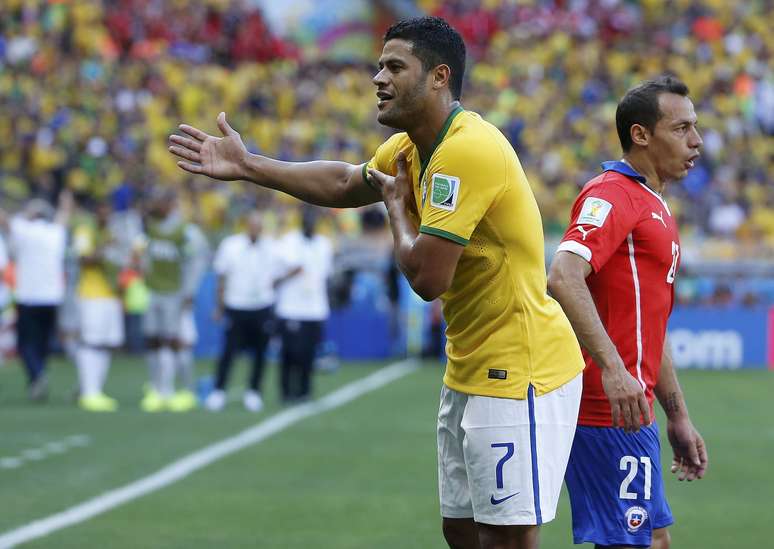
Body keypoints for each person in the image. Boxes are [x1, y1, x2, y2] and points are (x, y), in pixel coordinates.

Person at [168, 16, 584, 549]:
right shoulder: (411, 148)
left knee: (506, 538)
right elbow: (345, 181)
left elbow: (428, 278)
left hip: (521, 367)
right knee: (459, 530)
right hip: (470, 364)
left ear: (438, 77)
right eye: (377, 66)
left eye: (394, 66)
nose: (377, 79)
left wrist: (396, 213)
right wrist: (251, 166)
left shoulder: (467, 149)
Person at [547, 75, 708, 548]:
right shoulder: (612, 193)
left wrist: (676, 414)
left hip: (634, 410)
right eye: (681, 129)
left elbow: (650, 329)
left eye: (694, 127)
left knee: (654, 540)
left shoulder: (653, 203)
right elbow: (562, 274)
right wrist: (616, 371)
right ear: (641, 134)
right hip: (605, 408)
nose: (696, 140)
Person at [136, 188, 207, 412]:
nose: (154, 206)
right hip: (152, 290)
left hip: (174, 292)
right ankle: (157, 387)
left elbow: (197, 260)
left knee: (172, 340)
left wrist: (189, 291)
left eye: (159, 202)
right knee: (152, 339)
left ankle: (170, 389)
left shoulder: (185, 231)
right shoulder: (149, 227)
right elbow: (141, 254)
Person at [206, 210, 279, 412]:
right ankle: (219, 390)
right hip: (236, 304)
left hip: (262, 305)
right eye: (253, 224)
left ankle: (253, 391)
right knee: (228, 351)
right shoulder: (231, 245)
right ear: (246, 225)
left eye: (259, 225)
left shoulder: (271, 247)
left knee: (260, 353)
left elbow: (278, 273)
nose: (256, 229)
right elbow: (222, 278)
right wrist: (219, 306)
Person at [7, 192, 72, 401]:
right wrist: (65, 200)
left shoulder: (23, 229)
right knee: (43, 341)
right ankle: (39, 372)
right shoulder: (55, 233)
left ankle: (37, 374)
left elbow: (5, 220)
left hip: (28, 296)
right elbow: (64, 215)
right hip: (52, 296)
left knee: (26, 342)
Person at [274, 206, 333, 403]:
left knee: (308, 353)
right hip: (291, 306)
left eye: (313, 219)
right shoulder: (289, 241)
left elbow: (324, 274)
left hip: (315, 307)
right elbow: (281, 270)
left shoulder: (323, 244)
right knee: (290, 352)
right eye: (307, 219)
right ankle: (286, 391)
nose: (310, 223)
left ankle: (304, 391)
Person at [71, 200, 124, 412]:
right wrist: (105, 246)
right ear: (96, 214)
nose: (106, 217)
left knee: (105, 343)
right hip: (91, 294)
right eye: (102, 212)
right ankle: (88, 391)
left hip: (110, 294)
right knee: (90, 342)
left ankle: (97, 390)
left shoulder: (111, 233)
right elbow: (84, 260)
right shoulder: (85, 231)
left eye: (108, 212)